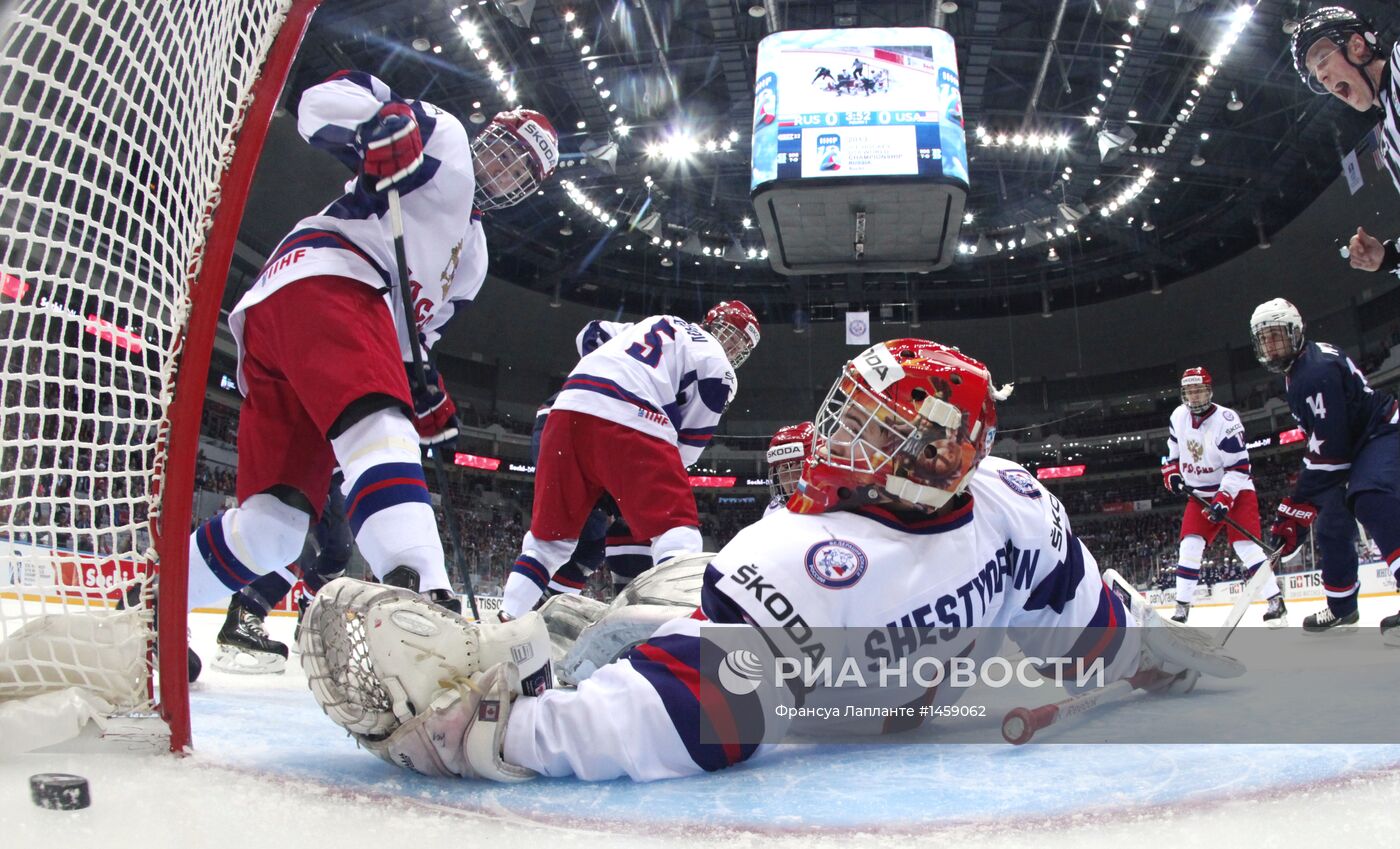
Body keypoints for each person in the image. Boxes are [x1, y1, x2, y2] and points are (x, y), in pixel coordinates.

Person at [302, 339, 1242, 782]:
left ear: (938, 455)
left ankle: (561, 648)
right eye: (848, 413)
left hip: (819, 693)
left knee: (681, 599)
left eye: (874, 431)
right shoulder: (1003, 498)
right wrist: (1161, 660)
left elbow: (699, 717)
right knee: (686, 598)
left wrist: (497, 740)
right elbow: (1094, 629)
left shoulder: (826, 555)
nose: (838, 440)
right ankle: (579, 639)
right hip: (834, 687)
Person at [185, 71, 557, 614]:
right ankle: (425, 599)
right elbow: (322, 100)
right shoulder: (447, 139)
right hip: (327, 279)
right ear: (486, 137)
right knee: (381, 427)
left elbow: (414, 337)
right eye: (504, 150)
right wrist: (375, 124)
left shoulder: (472, 259)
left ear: (524, 190)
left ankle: (147, 613)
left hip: (301, 327)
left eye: (520, 169)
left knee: (274, 529)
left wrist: (423, 379)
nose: (504, 168)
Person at [500, 302, 761, 618]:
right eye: (732, 336)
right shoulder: (719, 367)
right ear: (712, 325)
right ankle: (679, 627)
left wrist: (611, 371)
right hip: (630, 417)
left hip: (567, 408)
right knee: (678, 530)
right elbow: (686, 451)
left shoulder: (661, 320)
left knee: (548, 544)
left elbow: (591, 333)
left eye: (740, 343)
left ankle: (506, 620)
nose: (732, 346)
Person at [1250, 298, 1400, 642]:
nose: (1272, 347)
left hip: (1378, 432)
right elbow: (1325, 443)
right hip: (1352, 442)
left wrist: (1296, 507)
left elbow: (1330, 451)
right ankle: (1342, 605)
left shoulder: (1313, 372)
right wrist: (1301, 509)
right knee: (1332, 519)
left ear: (1296, 332)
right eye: (1265, 340)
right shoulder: (1298, 370)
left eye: (1278, 337)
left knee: (1369, 497)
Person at [1160, 367, 1286, 625]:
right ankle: (1181, 609)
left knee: (1246, 547)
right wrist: (1171, 473)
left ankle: (1275, 601)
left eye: (1198, 390)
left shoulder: (1227, 420)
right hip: (1198, 494)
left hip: (1235, 490)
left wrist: (1224, 499)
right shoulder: (1178, 415)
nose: (1193, 396)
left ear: (1209, 391)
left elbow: (1239, 469)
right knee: (1189, 547)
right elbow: (1171, 454)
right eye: (1189, 391)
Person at [1290, 7, 1400, 276]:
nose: (1322, 78)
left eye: (1322, 60)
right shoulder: (1388, 140)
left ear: (1358, 46)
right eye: (1315, 76)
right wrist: (1389, 258)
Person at [213, 472, 353, 673]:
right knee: (305, 531)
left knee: (339, 550)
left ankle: (309, 623)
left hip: (343, 466)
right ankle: (245, 613)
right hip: (315, 457)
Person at [763, 421, 814, 516]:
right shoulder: (773, 512)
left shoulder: (839, 509)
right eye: (785, 468)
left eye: (802, 468)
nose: (793, 479)